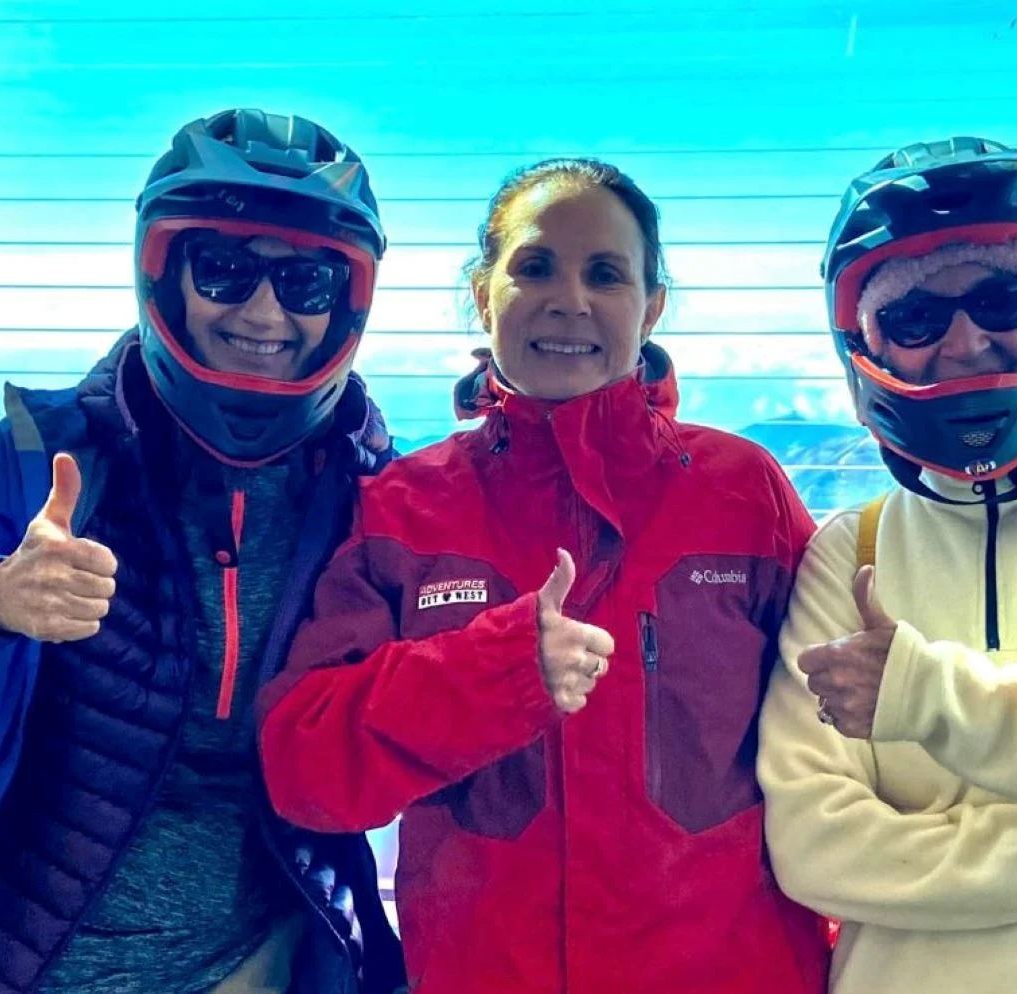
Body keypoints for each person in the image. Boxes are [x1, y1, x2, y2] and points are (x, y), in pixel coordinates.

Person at [257, 157, 832, 994]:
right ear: (484, 293)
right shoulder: (404, 507)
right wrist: (493, 672)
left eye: (606, 273)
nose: (572, 300)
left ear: (652, 304)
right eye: (535, 267)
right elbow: (305, 769)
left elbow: (840, 742)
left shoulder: (743, 490)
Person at [0, 108, 405, 994]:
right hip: (23, 958)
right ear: (165, 272)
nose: (265, 311)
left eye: (307, 282)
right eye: (224, 269)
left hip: (264, 960)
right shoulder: (43, 451)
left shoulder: (381, 495)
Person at [758, 137, 1017, 994]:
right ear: (867, 344)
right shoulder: (849, 554)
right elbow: (814, 846)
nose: (968, 341)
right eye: (914, 319)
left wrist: (923, 698)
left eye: (1003, 298)